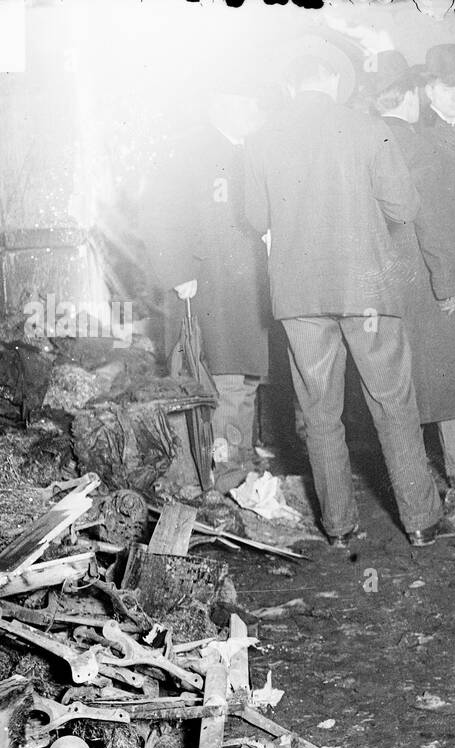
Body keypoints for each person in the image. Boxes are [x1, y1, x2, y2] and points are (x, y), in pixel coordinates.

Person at [243, 36, 455, 548]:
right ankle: (421, 520)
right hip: (367, 292)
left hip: (299, 297)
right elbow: (403, 208)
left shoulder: (260, 139)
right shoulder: (369, 128)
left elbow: (257, 218)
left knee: (319, 412)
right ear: (332, 79)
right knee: (392, 403)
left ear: (292, 82)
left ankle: (340, 527)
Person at [369, 49, 455, 494]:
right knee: (442, 368)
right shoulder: (418, 135)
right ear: (426, 91)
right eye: (450, 87)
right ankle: (451, 466)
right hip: (433, 261)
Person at [141, 73, 274, 492]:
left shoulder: (248, 150)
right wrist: (178, 270)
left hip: (249, 287)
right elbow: (159, 212)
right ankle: (224, 477)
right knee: (224, 378)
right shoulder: (189, 152)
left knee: (247, 377)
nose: (257, 111)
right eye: (247, 102)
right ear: (222, 104)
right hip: (210, 286)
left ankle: (240, 462)